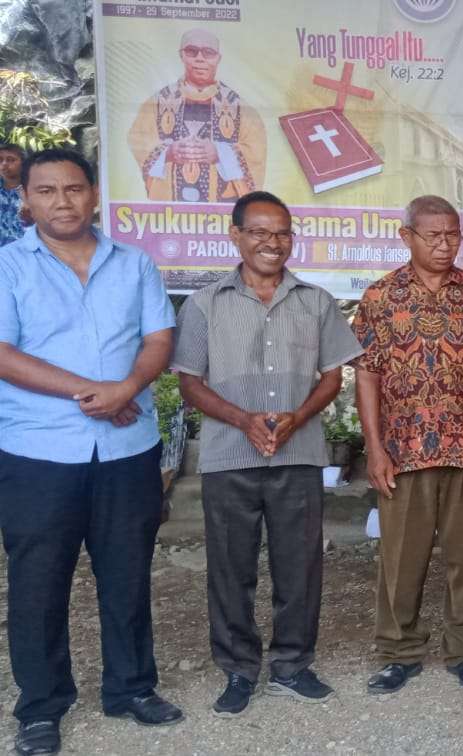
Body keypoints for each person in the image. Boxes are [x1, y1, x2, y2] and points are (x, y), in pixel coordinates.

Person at [0, 148, 182, 755]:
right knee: (39, 582)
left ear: (95, 195)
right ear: (25, 199)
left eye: (73, 189)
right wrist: (91, 392)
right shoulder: (8, 268)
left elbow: (159, 337)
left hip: (128, 448)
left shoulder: (134, 264)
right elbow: (3, 353)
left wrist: (126, 389)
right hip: (39, 452)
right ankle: (41, 707)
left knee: (127, 574)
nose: (62, 201)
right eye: (46, 191)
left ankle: (131, 688)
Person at [172, 191, 364, 716]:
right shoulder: (205, 303)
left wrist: (297, 418)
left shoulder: (316, 301)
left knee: (299, 568)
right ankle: (238, 670)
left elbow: (333, 374)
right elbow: (190, 382)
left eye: (281, 233)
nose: (271, 242)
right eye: (258, 231)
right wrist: (243, 419)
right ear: (235, 236)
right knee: (230, 569)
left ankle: (293, 666)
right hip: (228, 457)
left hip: (298, 455)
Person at [351, 195, 463, 695]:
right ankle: (399, 651)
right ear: (407, 237)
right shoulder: (380, 298)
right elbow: (367, 375)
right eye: (434, 236)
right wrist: (373, 448)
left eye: (453, 236)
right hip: (403, 452)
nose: (445, 245)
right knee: (401, 557)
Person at [128, 28, 265, 203]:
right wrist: (168, 152)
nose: (200, 58)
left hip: (223, 213)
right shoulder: (159, 102)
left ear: (218, 58)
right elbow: (139, 140)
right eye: (192, 51)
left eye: (208, 52)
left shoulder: (239, 108)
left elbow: (256, 151)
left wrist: (220, 153)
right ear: (181, 56)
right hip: (170, 213)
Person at [0, 143, 25, 246]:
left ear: (23, 163)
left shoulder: (33, 191)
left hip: (24, 251)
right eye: (0, 160)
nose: (4, 164)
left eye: (11, 160)